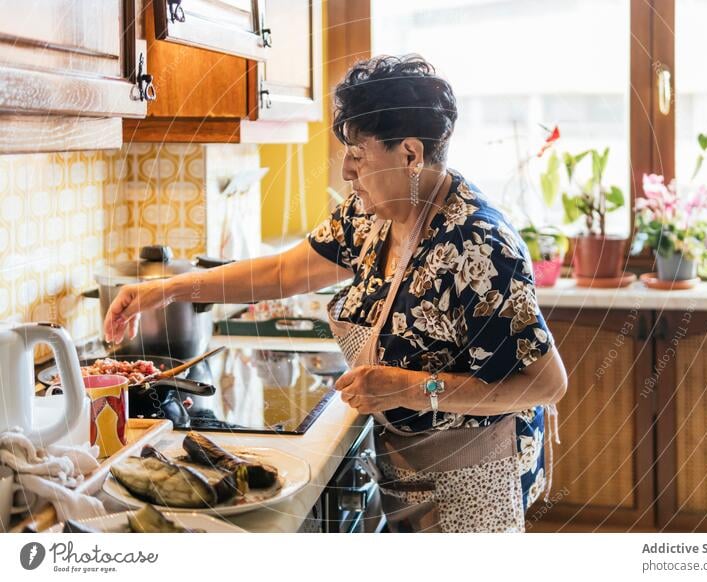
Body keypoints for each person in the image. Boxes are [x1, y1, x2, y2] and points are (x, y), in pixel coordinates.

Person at [104, 54, 568, 533]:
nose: (346, 170)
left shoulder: (478, 247)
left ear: (410, 154)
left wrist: (408, 387)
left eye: (358, 154)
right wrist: (167, 290)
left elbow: (547, 383)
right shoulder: (370, 215)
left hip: (473, 477)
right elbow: (283, 271)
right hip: (404, 467)